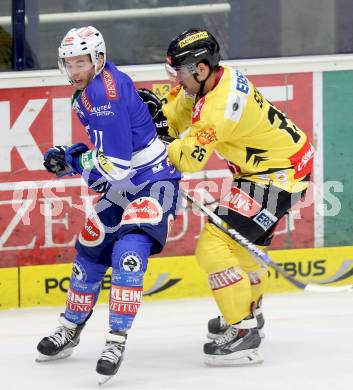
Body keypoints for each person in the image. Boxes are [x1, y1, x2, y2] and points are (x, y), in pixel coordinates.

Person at [138, 28, 314, 366]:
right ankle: (249, 310)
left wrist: (156, 143)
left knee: (213, 246)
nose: (177, 80)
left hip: (278, 178)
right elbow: (179, 112)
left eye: (180, 73)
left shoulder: (220, 108)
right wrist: (161, 118)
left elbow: (188, 158)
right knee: (245, 250)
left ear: (201, 69)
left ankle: (243, 332)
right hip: (272, 170)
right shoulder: (213, 80)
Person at [36, 26, 180, 384]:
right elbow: (109, 157)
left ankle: (115, 340)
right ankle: (70, 326)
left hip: (152, 182)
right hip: (127, 182)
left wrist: (71, 161)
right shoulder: (88, 90)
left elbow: (113, 169)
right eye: (69, 63)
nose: (75, 70)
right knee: (91, 241)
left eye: (82, 62)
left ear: (98, 59)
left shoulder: (102, 94)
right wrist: (75, 156)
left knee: (128, 254)